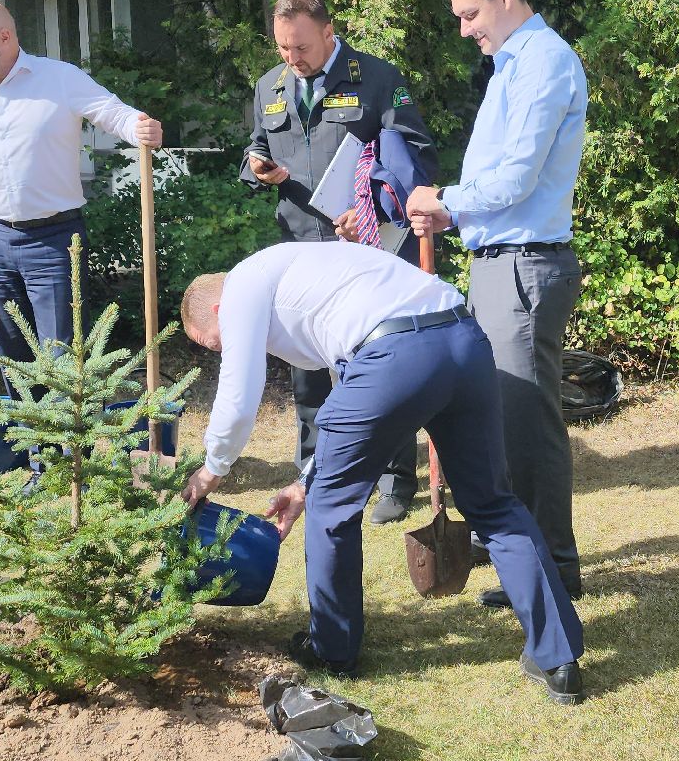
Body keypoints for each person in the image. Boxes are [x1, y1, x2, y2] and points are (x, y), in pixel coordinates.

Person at [179, 242, 587, 702]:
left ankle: (333, 649)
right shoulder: (309, 271)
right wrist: (306, 481)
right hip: (462, 338)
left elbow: (239, 394)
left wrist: (212, 469)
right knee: (492, 503)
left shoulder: (242, 286)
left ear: (219, 309)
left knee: (331, 509)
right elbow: (348, 395)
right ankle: (558, 659)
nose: (221, 349)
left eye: (214, 342)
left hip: (393, 353)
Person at [405, 0, 588, 607]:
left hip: (524, 270)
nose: (465, 30)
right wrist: (453, 214)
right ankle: (521, 554)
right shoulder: (512, 64)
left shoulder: (544, 62)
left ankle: (551, 572)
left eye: (470, 14)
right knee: (502, 420)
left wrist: (446, 201)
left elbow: (516, 179)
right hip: (500, 264)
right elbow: (502, 182)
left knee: (526, 426)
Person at [240, 0, 438, 526]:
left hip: (364, 247)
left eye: (301, 47)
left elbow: (415, 157)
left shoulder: (377, 77)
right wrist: (256, 165)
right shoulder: (270, 85)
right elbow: (257, 145)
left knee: (379, 365)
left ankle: (395, 478)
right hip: (301, 247)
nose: (292, 58)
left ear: (328, 32)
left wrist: (369, 206)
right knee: (308, 370)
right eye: (283, 48)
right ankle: (315, 474)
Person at [0, 0, 163, 382]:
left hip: (55, 240)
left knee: (64, 355)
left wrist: (139, 127)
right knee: (14, 357)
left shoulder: (60, 79)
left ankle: (70, 426)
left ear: (4, 37)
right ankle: (28, 425)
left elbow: (111, 111)